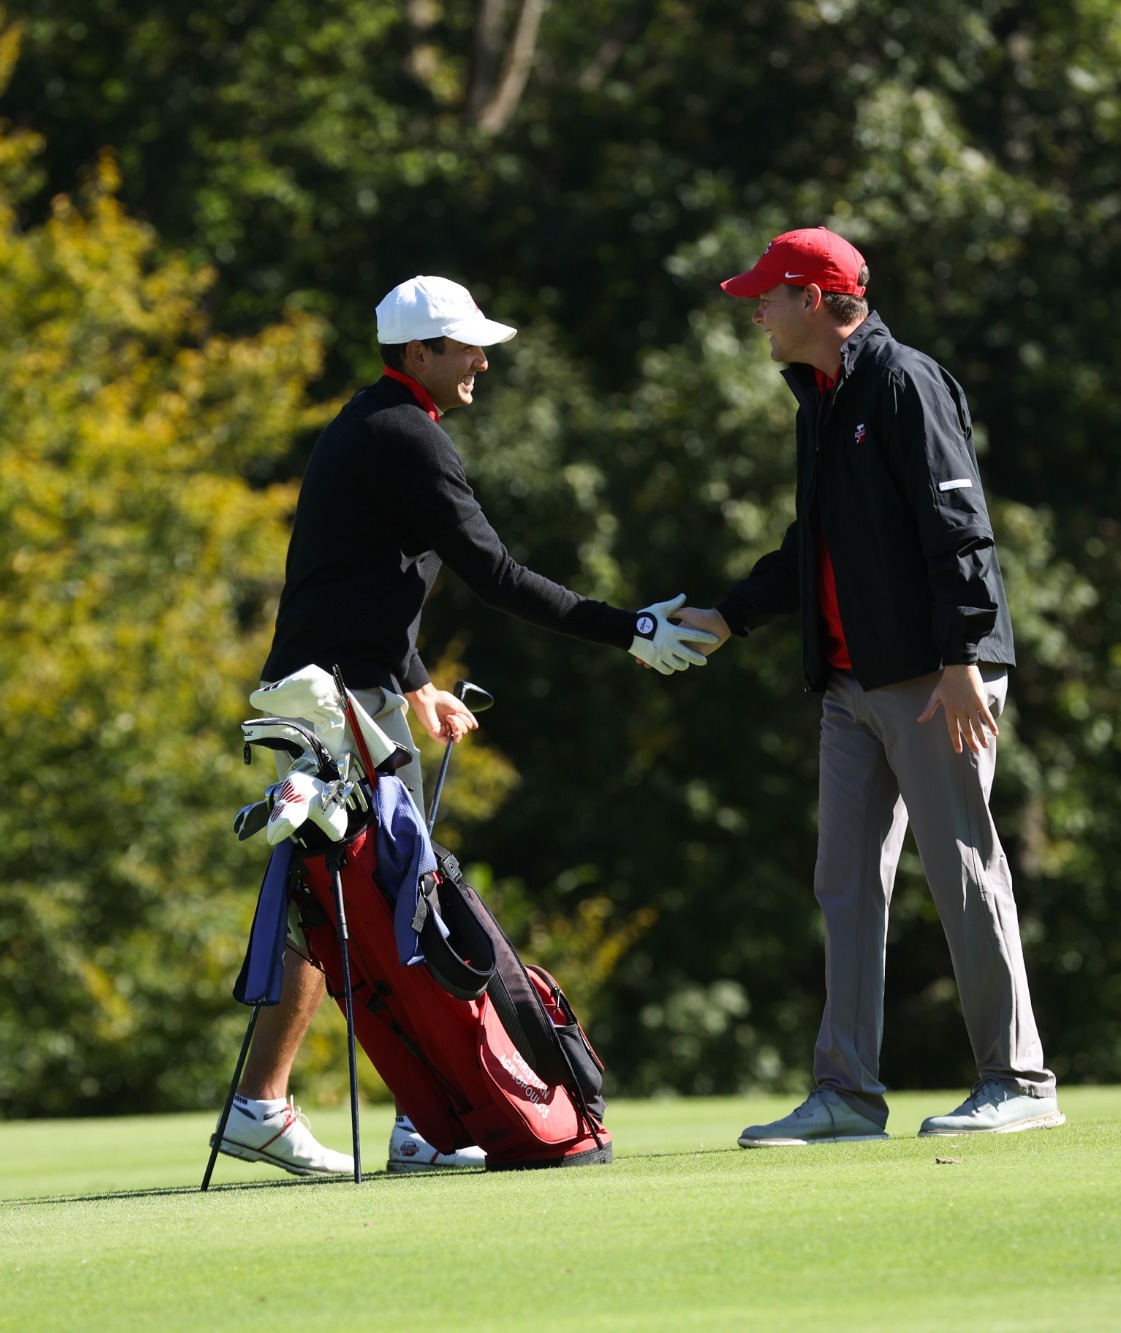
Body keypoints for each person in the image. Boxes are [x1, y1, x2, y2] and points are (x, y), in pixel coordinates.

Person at [216, 275, 717, 1176]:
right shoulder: (407, 433)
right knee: (381, 902)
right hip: (340, 703)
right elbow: (494, 571)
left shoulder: (372, 422)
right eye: (466, 347)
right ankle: (365, 1111)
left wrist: (415, 681)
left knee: (351, 903)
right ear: (419, 355)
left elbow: (364, 576)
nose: (483, 360)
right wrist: (628, 628)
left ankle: (395, 1110)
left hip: (340, 689)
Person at [673, 227, 1062, 1144]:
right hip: (851, 682)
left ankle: (1019, 1078)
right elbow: (816, 543)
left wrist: (966, 656)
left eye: (766, 296)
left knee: (965, 871)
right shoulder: (820, 397)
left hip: (936, 677)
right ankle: (846, 1093)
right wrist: (732, 614)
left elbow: (959, 524)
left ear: (815, 298)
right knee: (844, 880)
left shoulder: (902, 382)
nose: (755, 310)